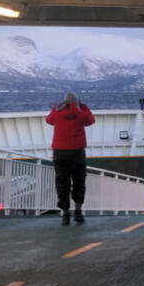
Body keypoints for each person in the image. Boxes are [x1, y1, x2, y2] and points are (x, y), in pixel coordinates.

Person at [45, 92, 95, 225]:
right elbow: (91, 120)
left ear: (65, 102)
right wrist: (83, 106)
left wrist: (57, 107)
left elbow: (48, 120)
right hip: (77, 152)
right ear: (77, 102)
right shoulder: (81, 113)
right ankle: (78, 212)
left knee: (62, 182)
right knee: (79, 181)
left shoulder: (57, 111)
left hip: (60, 153)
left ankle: (65, 214)